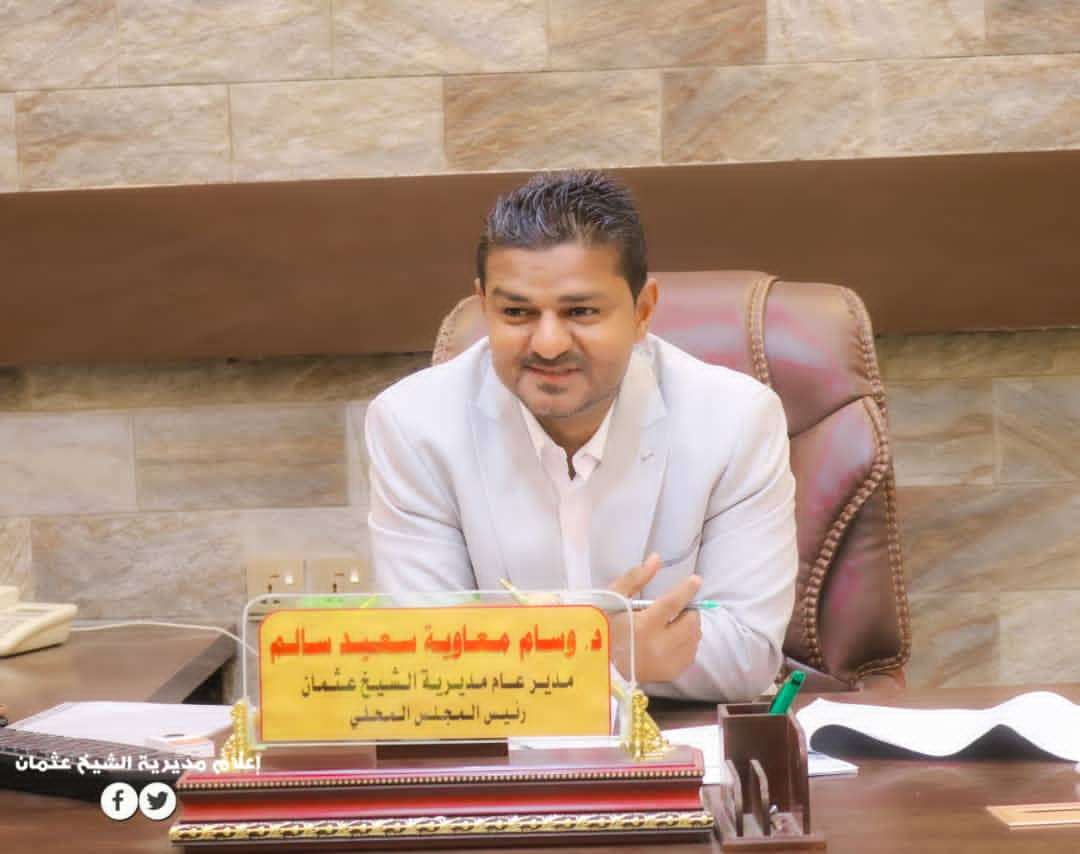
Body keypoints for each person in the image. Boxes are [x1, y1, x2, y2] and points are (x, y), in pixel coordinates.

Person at [365, 171, 797, 701]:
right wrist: (602, 649)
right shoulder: (413, 425)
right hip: (502, 738)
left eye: (581, 312)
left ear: (642, 311)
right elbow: (424, 655)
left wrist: (527, 654)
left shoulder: (735, 420)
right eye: (516, 312)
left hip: (675, 732)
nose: (548, 344)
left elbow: (747, 652)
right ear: (483, 306)